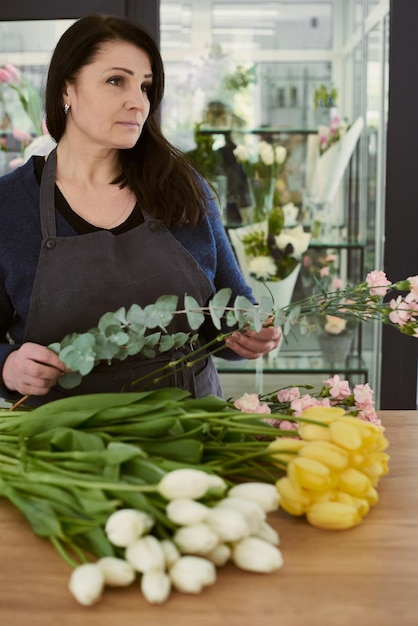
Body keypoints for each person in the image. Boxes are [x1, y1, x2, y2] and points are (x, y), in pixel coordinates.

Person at [0, 14, 281, 407]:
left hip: (187, 429)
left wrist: (252, 334)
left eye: (145, 86)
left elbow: (230, 312)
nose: (138, 101)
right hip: (63, 445)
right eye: (117, 81)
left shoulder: (182, 189)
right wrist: (8, 366)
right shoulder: (10, 207)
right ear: (67, 89)